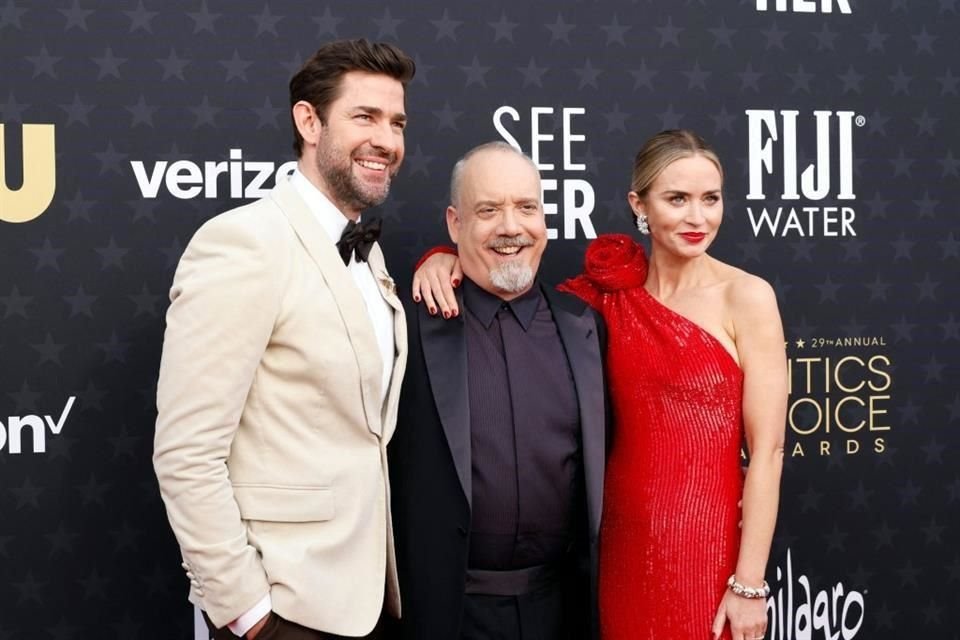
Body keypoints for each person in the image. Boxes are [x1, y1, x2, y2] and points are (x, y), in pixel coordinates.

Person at [412, 130, 787, 640]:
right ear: (640, 206)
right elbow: (507, 275)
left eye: (710, 199)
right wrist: (442, 256)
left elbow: (767, 452)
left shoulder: (748, 297)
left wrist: (749, 584)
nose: (697, 217)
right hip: (619, 555)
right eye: (677, 199)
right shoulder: (600, 306)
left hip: (707, 548)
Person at [153, 39, 415, 640]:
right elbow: (186, 452)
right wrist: (246, 612)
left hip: (365, 603)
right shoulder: (245, 243)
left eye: (397, 122)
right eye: (365, 117)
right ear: (308, 120)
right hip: (282, 608)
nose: (387, 140)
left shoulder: (369, 257)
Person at [389, 141, 607, 640]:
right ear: (454, 224)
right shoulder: (406, 327)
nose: (511, 227)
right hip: (444, 616)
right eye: (488, 210)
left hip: (565, 613)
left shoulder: (587, 328)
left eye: (526, 208)